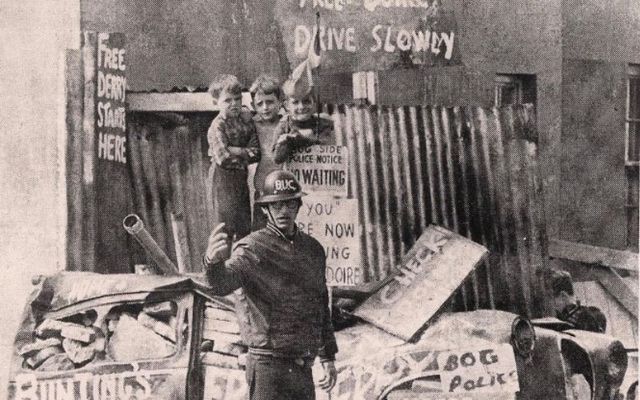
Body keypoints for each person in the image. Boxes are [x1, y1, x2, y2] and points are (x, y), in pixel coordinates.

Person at [203, 170, 338, 400]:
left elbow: (320, 304)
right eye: (276, 206)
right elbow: (223, 284)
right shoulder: (251, 248)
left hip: (302, 368)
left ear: (298, 206)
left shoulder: (313, 250)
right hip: (268, 368)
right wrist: (212, 263)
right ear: (265, 210)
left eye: (289, 204)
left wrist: (327, 357)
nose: (284, 211)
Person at [207, 74, 260, 240]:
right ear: (216, 102)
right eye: (227, 100)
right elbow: (224, 159)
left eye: (237, 99)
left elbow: (256, 152)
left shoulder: (245, 120)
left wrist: (234, 150)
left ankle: (240, 264)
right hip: (222, 180)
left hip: (241, 180)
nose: (234, 104)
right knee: (224, 227)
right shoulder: (217, 127)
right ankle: (222, 264)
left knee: (244, 225)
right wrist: (245, 152)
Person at [272, 75, 335, 164]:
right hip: (294, 176)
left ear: (314, 103)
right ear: (287, 106)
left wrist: (298, 137)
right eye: (295, 102)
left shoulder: (323, 123)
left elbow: (330, 148)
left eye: (306, 101)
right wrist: (285, 142)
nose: (301, 107)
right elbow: (277, 159)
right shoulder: (284, 126)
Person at [249, 74, 284, 230]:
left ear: (280, 102)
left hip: (285, 191)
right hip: (263, 191)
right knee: (260, 236)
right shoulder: (252, 125)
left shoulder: (287, 123)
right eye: (260, 103)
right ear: (253, 106)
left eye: (270, 102)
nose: (265, 107)